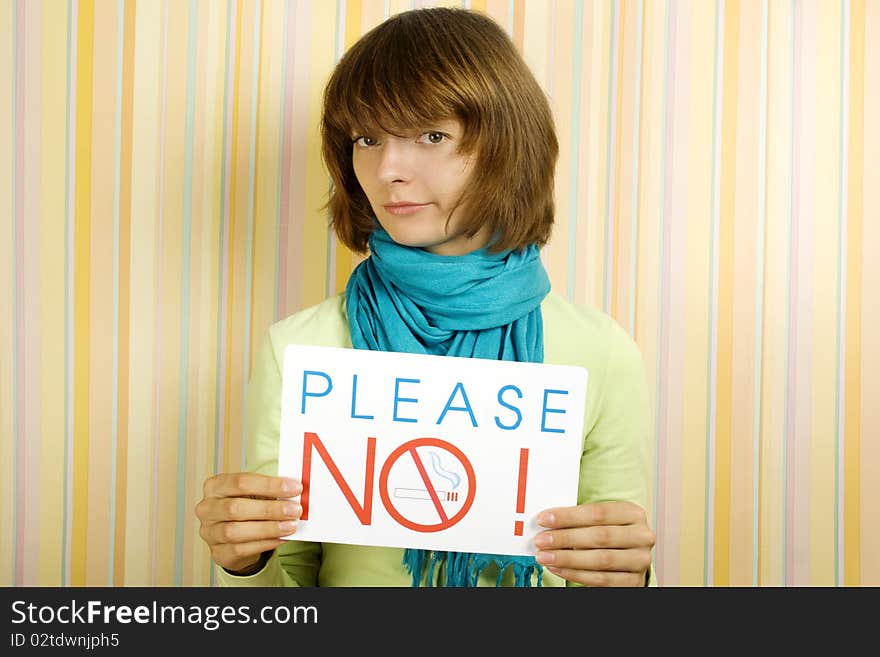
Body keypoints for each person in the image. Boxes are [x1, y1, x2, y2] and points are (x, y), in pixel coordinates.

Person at [195, 6, 656, 588]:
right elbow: (283, 586)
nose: (388, 168)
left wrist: (629, 579)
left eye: (432, 135)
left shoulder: (601, 353)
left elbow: (609, 577)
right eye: (367, 138)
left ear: (506, 147)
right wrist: (245, 560)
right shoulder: (299, 348)